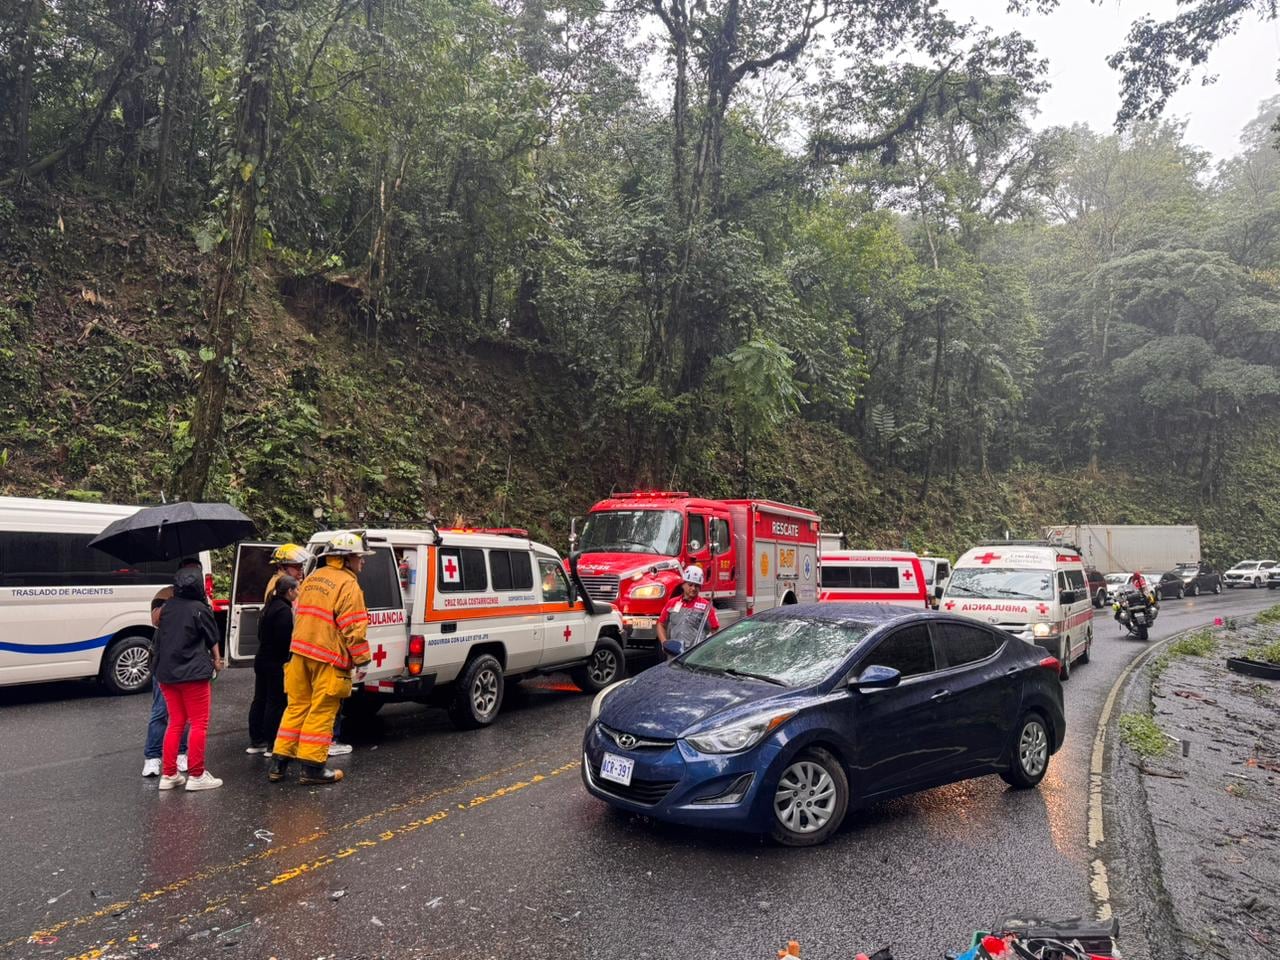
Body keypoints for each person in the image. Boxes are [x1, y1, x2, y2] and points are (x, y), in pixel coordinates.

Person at [269, 531, 373, 785]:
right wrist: (362, 659)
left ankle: (278, 764)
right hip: (328, 657)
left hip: (300, 653)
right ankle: (313, 768)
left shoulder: (313, 578)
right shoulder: (348, 585)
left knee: (296, 707)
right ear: (346, 558)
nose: (362, 562)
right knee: (322, 710)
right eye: (359, 556)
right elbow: (353, 627)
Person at [153, 566, 224, 791]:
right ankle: (196, 775)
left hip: (166, 673)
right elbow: (211, 637)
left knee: (175, 722)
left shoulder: (167, 608)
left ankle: (169, 774)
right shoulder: (199, 608)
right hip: (193, 673)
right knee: (199, 723)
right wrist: (217, 660)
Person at [246, 574, 298, 754]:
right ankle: (272, 742)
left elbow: (260, 635)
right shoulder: (284, 610)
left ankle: (256, 739)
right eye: (296, 589)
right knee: (275, 702)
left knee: (259, 699)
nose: (298, 593)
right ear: (289, 591)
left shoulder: (268, 606)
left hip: (261, 658)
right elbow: (284, 640)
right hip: (276, 662)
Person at [142, 592, 188, 777]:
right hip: (163, 666)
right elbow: (155, 620)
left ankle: (181, 754)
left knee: (183, 715)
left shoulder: (195, 603)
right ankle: (152, 757)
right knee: (160, 712)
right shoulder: (165, 596)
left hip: (185, 666)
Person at [657, 565, 720, 655]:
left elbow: (715, 630)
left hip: (695, 655)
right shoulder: (672, 603)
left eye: (697, 586)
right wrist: (664, 643)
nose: (693, 588)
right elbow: (660, 624)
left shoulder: (706, 606)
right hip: (674, 654)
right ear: (683, 584)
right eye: (690, 585)